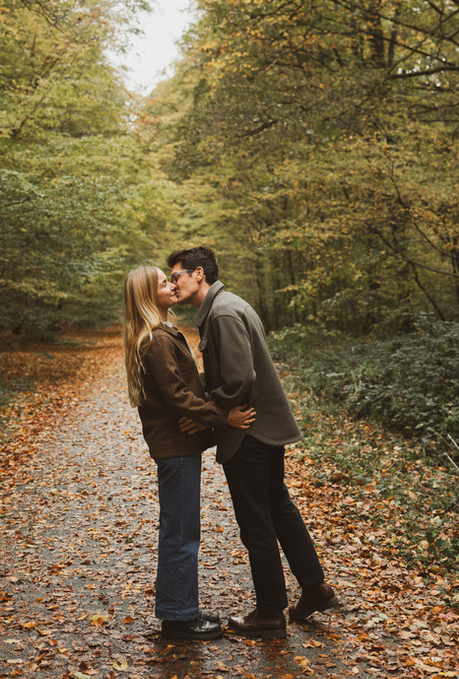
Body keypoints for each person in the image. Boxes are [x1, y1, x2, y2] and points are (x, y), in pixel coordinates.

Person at [167, 246, 338, 640]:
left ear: (198, 273)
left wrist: (208, 411)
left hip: (249, 431)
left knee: (256, 522)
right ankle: (315, 588)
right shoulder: (225, 306)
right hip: (263, 428)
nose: (172, 283)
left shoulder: (223, 312)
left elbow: (239, 379)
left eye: (176, 275)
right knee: (278, 508)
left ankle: (270, 612)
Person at [122, 265, 256, 642]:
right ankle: (179, 620)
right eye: (163, 283)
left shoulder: (161, 332)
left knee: (181, 529)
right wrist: (223, 417)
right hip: (175, 448)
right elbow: (178, 396)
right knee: (181, 532)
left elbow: (186, 388)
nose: (171, 284)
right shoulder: (156, 339)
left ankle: (181, 609)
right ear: (148, 296)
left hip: (178, 446)